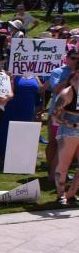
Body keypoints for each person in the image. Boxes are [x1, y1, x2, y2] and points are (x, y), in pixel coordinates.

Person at [51, 71, 79, 204]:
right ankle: (60, 195)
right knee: (63, 164)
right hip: (69, 130)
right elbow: (54, 116)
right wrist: (71, 124)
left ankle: (71, 193)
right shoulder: (67, 93)